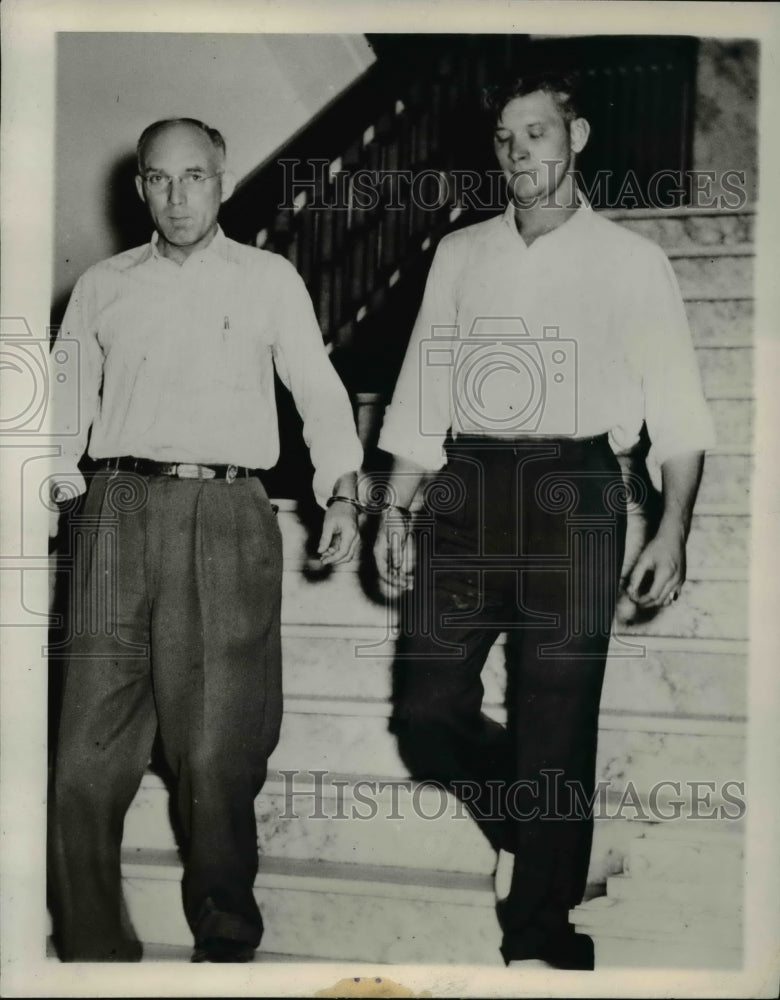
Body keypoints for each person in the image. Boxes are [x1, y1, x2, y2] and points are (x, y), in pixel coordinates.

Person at [373, 69, 715, 969]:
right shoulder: (460, 252)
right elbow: (418, 394)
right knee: (426, 708)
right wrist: (394, 506)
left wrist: (672, 525)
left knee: (558, 718)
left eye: (537, 133)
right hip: (467, 481)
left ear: (579, 136)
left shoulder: (632, 262)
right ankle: (536, 823)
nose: (520, 153)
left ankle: (542, 929)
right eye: (506, 139)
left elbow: (678, 412)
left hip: (577, 486)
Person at [48, 118, 363, 962]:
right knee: (84, 751)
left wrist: (342, 486)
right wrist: (44, 499)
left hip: (225, 513)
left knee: (216, 746)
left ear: (223, 180)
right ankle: (88, 942)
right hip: (112, 506)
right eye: (160, 179)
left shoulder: (268, 279)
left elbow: (320, 391)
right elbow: (61, 413)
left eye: (196, 177)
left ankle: (225, 928)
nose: (178, 195)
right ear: (140, 188)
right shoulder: (103, 286)